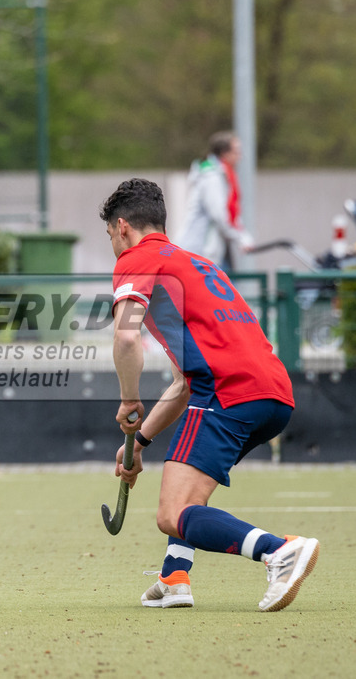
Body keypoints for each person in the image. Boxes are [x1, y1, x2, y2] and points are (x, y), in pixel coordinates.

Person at [100, 178, 319, 612]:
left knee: (171, 513)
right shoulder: (197, 264)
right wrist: (139, 442)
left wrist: (128, 400)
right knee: (188, 492)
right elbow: (184, 385)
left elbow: (126, 337)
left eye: (110, 235)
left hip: (228, 394)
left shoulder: (136, 258)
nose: (113, 245)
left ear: (122, 227)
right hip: (273, 395)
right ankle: (174, 577)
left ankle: (279, 550)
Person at [177, 131, 252, 272]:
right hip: (201, 251)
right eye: (236, 152)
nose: (240, 156)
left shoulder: (223, 175)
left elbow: (230, 213)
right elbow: (220, 215)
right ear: (225, 153)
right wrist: (242, 238)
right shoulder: (211, 177)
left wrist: (242, 236)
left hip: (213, 250)